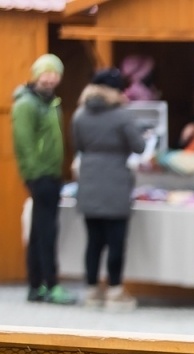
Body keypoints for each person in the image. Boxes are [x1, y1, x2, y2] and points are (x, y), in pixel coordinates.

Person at [73, 69, 148, 311]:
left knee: (93, 241)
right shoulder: (122, 116)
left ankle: (91, 290)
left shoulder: (79, 115)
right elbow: (139, 146)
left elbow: (77, 145)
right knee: (115, 241)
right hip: (115, 182)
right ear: (115, 91)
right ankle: (115, 291)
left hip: (89, 181)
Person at [13, 54, 73, 305]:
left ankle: (35, 285)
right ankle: (52, 284)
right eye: (46, 72)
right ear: (36, 74)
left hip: (51, 173)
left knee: (38, 231)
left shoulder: (51, 102)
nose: (50, 77)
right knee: (47, 231)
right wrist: (33, 175)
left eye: (55, 73)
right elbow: (23, 143)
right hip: (41, 176)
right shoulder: (26, 104)